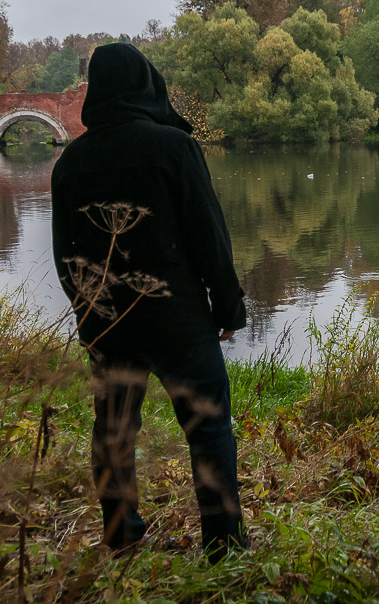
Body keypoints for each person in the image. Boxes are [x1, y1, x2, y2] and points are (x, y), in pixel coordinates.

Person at [50, 42, 247, 561]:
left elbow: (64, 254)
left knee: (113, 431)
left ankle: (121, 538)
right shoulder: (173, 148)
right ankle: (224, 547)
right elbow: (209, 236)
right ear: (146, 83)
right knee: (208, 428)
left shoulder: (71, 161)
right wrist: (228, 307)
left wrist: (90, 314)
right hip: (179, 319)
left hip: (108, 323)